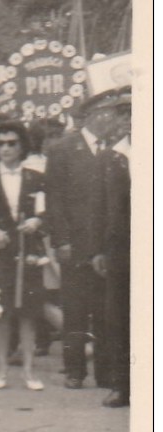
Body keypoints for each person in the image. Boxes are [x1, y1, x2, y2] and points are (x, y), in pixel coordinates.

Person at [43, 91, 120, 391]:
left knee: (105, 310)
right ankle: (74, 370)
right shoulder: (63, 149)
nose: (113, 121)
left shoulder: (114, 149)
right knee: (75, 309)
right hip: (74, 245)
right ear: (94, 116)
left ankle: (105, 372)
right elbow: (55, 200)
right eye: (110, 114)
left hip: (104, 245)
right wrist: (61, 240)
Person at [0, 121, 46, 391]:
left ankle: (29, 371)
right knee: (2, 312)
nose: (5, 148)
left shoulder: (35, 178)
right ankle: (2, 370)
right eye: (1, 143)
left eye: (12, 143)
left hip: (28, 251)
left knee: (28, 313)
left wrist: (37, 223)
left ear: (22, 146)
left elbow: (46, 212)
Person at [93, 88, 131, 408]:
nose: (131, 119)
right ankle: (122, 385)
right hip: (121, 249)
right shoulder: (112, 157)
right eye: (125, 113)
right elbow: (101, 206)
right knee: (118, 316)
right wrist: (99, 249)